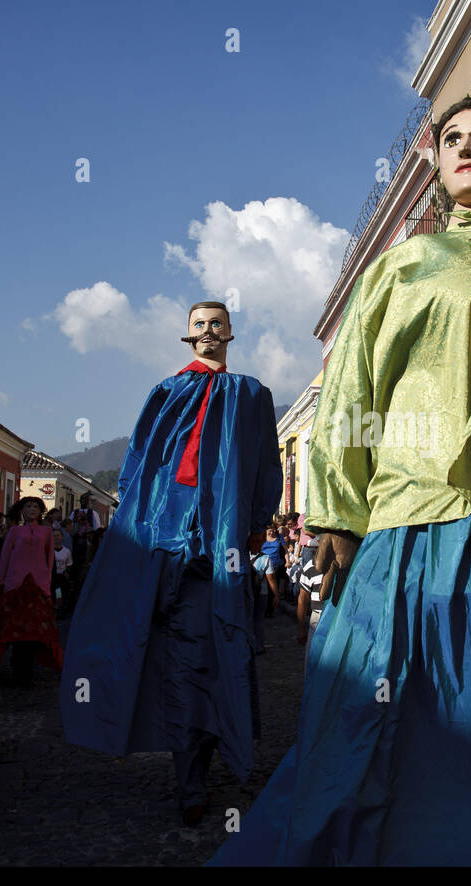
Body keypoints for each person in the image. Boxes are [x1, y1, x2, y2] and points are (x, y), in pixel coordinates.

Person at [212, 94, 471, 866]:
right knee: (379, 712)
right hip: (412, 519)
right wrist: (339, 513)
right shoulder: (401, 266)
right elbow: (352, 391)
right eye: (451, 139)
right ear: (436, 165)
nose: (467, 147)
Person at [60, 300, 281, 826]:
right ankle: (190, 776)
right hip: (162, 551)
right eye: (198, 324)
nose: (208, 331)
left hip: (220, 556)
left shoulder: (252, 396)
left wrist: (252, 526)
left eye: (216, 324)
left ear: (231, 333)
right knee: (175, 662)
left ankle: (210, 757)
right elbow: (140, 465)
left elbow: (265, 466)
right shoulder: (165, 393)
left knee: (221, 655)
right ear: (188, 336)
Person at [0, 496, 60, 687]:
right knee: (14, 630)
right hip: (15, 585)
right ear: (21, 510)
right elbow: (5, 555)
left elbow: (49, 559)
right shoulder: (14, 531)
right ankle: (15, 669)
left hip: (38, 586)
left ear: (41, 510)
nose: (32, 509)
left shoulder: (46, 532)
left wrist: (47, 583)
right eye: (28, 506)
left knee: (33, 632)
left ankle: (26, 671)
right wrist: (2, 580)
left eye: (36, 506)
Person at [52, 526, 73, 617]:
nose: (56, 537)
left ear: (62, 537)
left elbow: (69, 564)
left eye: (58, 535)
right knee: (54, 594)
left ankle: (59, 610)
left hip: (61, 578)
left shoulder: (66, 551)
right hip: (52, 577)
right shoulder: (49, 551)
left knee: (60, 595)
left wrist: (67, 573)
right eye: (54, 536)